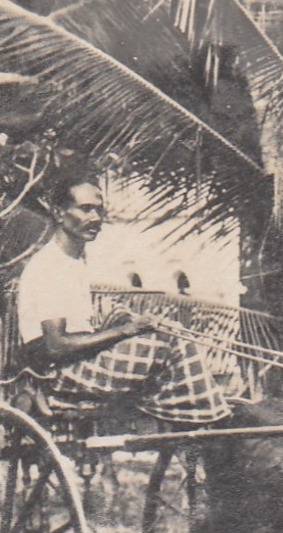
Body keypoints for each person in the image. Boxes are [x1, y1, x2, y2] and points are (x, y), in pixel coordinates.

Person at [15, 173, 230, 424]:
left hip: (79, 362)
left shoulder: (73, 261)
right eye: (85, 209)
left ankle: (197, 416)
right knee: (171, 341)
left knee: (171, 331)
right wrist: (127, 330)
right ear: (59, 213)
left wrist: (125, 322)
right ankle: (210, 420)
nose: (95, 218)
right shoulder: (52, 265)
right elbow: (56, 346)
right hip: (58, 373)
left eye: (99, 210)